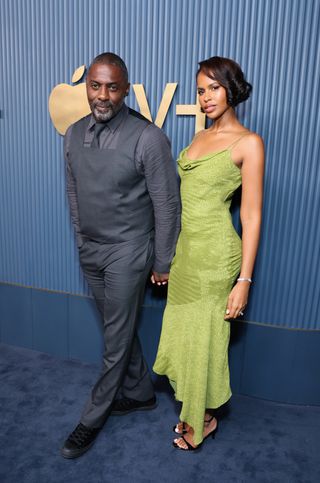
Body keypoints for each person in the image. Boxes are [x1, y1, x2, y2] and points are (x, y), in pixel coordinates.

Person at [61, 52, 180, 458]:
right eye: (96, 85)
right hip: (91, 249)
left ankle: (91, 418)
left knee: (114, 339)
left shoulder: (148, 137)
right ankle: (142, 393)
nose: (103, 95)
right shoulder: (74, 134)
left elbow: (166, 205)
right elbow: (74, 192)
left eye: (113, 87)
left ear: (126, 90)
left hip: (129, 250)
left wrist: (162, 261)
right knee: (120, 328)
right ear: (87, 87)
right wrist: (81, 237)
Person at [153, 56, 264, 451]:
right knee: (185, 337)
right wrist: (166, 256)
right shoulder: (198, 138)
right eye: (200, 90)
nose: (205, 97)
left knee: (204, 339)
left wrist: (244, 281)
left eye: (213, 88)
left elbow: (250, 216)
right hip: (186, 255)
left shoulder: (249, 143)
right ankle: (197, 413)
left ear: (231, 89)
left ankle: (200, 423)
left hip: (218, 257)